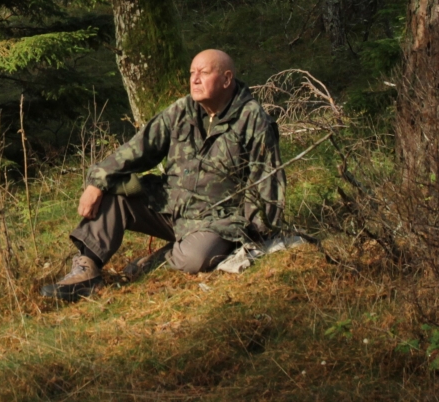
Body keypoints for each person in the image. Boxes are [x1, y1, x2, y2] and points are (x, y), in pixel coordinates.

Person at [41, 49, 283, 301]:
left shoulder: (252, 119)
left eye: (204, 73)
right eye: (192, 73)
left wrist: (258, 235)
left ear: (226, 79)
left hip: (217, 220)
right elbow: (137, 149)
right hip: (172, 205)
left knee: (196, 258)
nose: (195, 79)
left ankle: (157, 260)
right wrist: (96, 183)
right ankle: (86, 271)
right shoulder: (181, 110)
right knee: (115, 190)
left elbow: (265, 180)